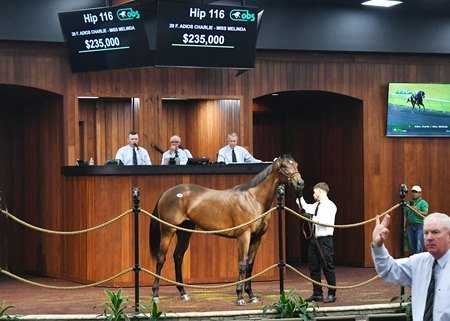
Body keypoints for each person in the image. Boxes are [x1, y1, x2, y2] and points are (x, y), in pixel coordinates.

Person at [372, 212, 450, 321]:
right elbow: (388, 270)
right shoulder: (418, 262)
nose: (429, 237)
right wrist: (378, 246)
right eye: (426, 233)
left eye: (435, 232)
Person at [296, 182, 337, 303]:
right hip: (314, 240)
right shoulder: (316, 205)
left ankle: (332, 293)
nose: (314, 194)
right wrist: (299, 195)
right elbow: (305, 207)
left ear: (320, 191)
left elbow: (324, 221)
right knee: (313, 267)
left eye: (315, 192)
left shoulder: (330, 206)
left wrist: (310, 218)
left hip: (325, 240)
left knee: (327, 266)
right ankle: (317, 293)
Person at [404, 185, 429, 254]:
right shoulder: (408, 203)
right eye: (412, 192)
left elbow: (425, 213)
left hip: (420, 226)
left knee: (419, 245)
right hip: (410, 226)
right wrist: (404, 226)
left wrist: (417, 210)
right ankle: (413, 262)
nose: (414, 193)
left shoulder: (423, 202)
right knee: (411, 245)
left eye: (416, 192)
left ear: (420, 193)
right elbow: (405, 215)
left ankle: (419, 262)